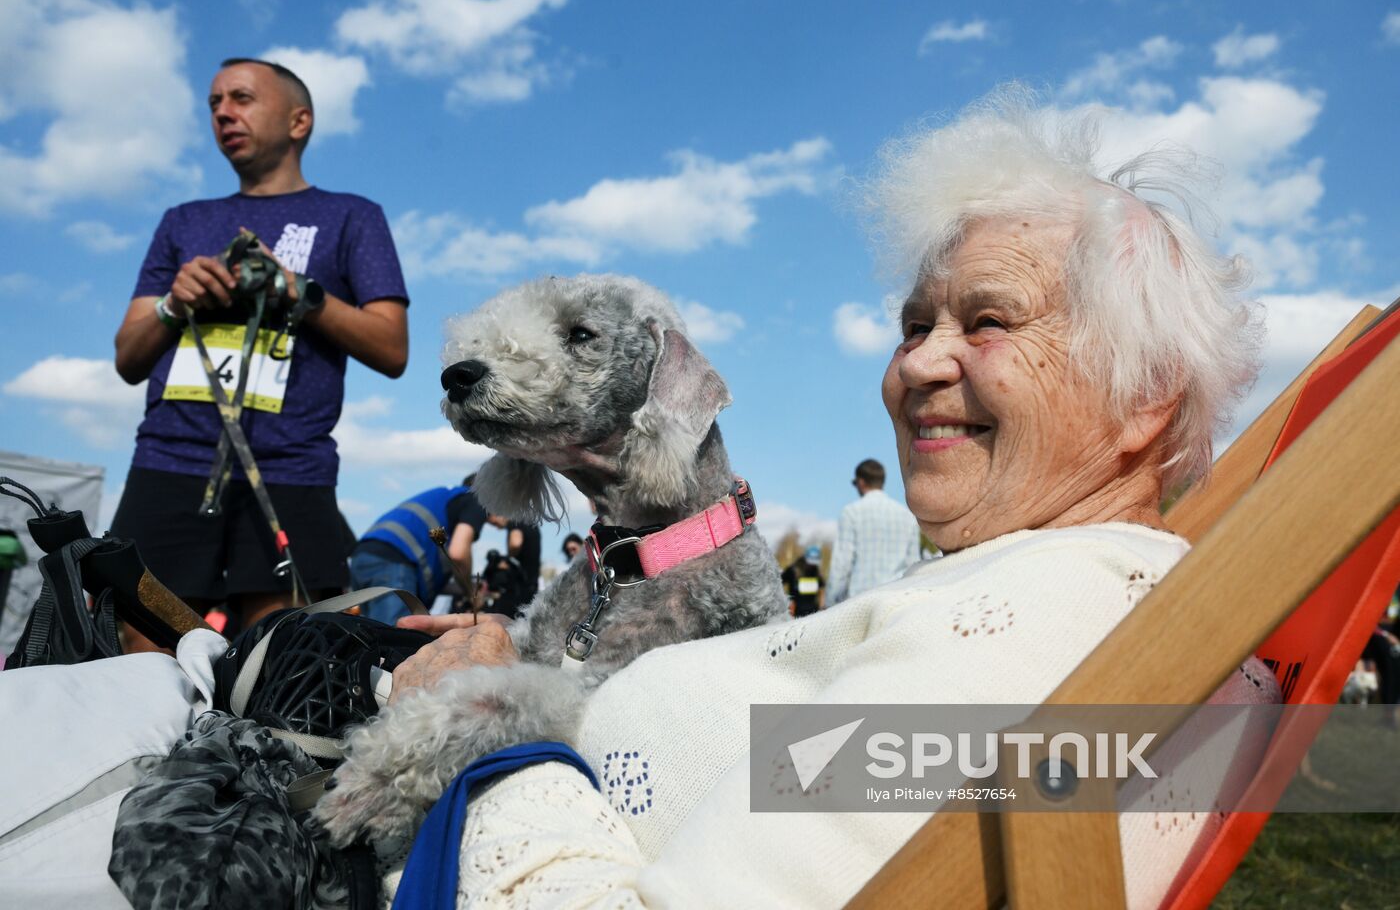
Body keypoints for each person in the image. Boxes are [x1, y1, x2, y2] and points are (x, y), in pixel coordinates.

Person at [378, 89, 1279, 909]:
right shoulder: (1027, 588)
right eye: (916, 326)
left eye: (990, 321)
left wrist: (488, 726)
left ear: (1147, 393)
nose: (916, 364)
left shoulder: (1033, 629)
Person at [109, 58, 409, 638]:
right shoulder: (184, 221)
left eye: (241, 98)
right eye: (214, 102)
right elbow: (127, 357)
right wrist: (176, 303)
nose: (223, 112)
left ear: (300, 121)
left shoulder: (351, 215)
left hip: (289, 466)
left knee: (279, 661)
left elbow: (392, 348)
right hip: (169, 461)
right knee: (138, 650)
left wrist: (298, 291)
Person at [350, 480, 489, 624]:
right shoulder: (476, 499)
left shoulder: (445, 498)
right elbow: (458, 554)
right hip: (394, 561)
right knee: (394, 636)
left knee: (372, 634)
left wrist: (459, 587)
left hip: (363, 555)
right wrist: (471, 593)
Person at [826, 458, 922, 604]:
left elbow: (842, 563)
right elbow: (913, 563)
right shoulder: (907, 516)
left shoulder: (851, 512)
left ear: (861, 482)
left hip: (859, 601)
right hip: (896, 600)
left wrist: (831, 601)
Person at [782, 544, 826, 617]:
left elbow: (821, 590)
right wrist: (787, 602)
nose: (813, 565)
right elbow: (779, 583)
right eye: (811, 562)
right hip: (794, 612)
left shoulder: (816, 572)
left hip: (814, 612)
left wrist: (822, 607)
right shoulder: (793, 570)